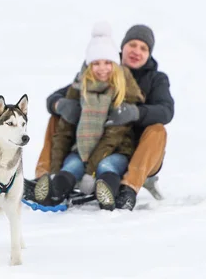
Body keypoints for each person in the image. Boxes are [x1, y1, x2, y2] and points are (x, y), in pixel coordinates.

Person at [33, 23, 175, 210]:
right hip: (94, 144)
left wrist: (136, 113)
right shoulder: (103, 68)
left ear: (149, 54)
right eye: (132, 45)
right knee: (57, 118)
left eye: (143, 48)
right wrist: (61, 105)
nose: (136, 51)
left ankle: (127, 189)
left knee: (157, 130)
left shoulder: (156, 79)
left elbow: (166, 111)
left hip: (136, 151)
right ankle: (43, 180)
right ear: (122, 47)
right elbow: (59, 95)